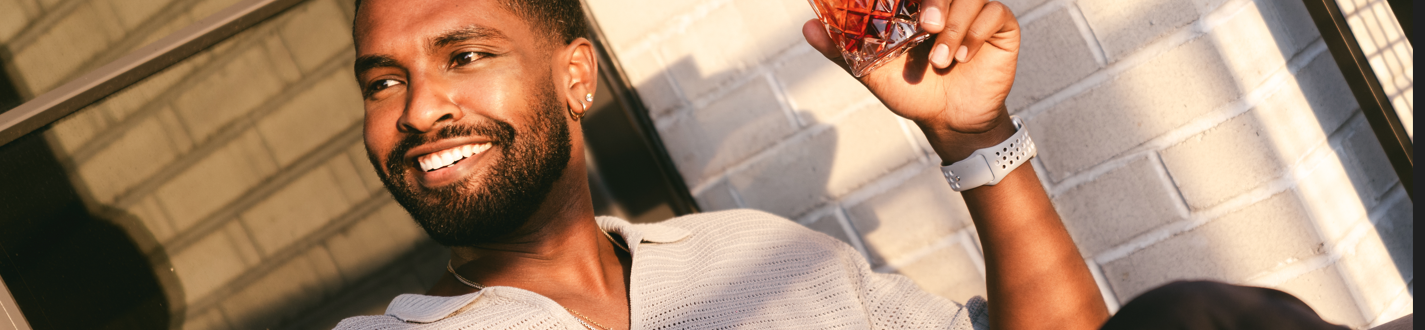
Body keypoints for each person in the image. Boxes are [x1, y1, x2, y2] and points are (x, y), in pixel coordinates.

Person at [335, 0, 1349, 329]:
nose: (419, 109)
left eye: (465, 57)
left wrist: (969, 138)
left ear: (578, 78)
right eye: (380, 82)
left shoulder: (762, 257)